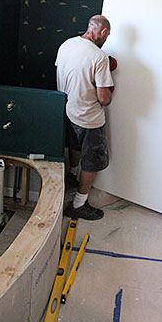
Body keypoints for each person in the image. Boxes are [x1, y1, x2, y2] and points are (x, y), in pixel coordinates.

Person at [55, 14, 114, 220]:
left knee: (74, 145)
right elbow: (104, 98)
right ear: (103, 32)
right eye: (107, 36)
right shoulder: (99, 57)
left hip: (68, 110)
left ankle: (71, 175)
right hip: (89, 118)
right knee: (92, 161)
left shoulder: (66, 45)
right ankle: (79, 204)